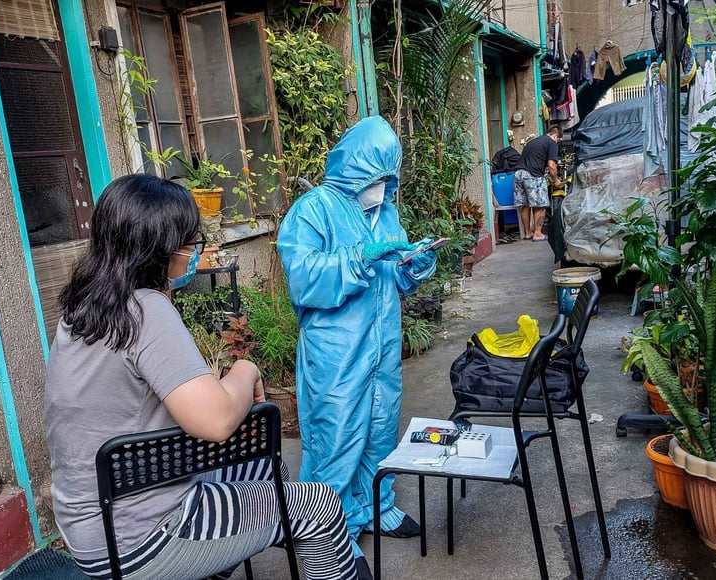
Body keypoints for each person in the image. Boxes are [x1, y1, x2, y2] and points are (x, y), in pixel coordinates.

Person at [45, 174, 362, 580]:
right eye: (192, 242)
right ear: (161, 249)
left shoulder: (83, 310)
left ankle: (211, 565)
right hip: (142, 536)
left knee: (265, 470)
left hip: (95, 523)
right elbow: (216, 421)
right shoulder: (145, 310)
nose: (196, 251)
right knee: (320, 505)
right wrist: (246, 369)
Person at [277, 116, 439, 560]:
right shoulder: (313, 210)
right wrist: (359, 256)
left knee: (381, 430)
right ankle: (328, 531)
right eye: (376, 177)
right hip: (337, 354)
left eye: (389, 178)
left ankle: (376, 506)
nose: (382, 188)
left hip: (382, 348)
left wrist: (413, 265)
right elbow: (304, 279)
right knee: (336, 441)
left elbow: (394, 275)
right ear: (353, 168)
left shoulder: (386, 212)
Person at [513, 125, 564, 242]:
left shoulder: (534, 142)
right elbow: (552, 165)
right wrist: (556, 180)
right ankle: (538, 233)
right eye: (558, 140)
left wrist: (548, 177)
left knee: (525, 205)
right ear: (555, 136)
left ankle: (527, 233)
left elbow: (535, 161)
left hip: (519, 174)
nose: (557, 142)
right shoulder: (551, 143)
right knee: (541, 205)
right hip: (532, 176)